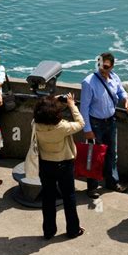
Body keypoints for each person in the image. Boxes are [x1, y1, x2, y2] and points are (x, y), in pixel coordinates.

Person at [80, 52, 128, 198]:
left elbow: (121, 91)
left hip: (111, 121)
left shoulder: (114, 77)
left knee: (112, 154)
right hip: (95, 123)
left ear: (112, 66)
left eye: (106, 66)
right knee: (94, 155)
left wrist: (126, 101)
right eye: (101, 65)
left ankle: (112, 181)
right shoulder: (88, 82)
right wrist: (87, 129)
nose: (103, 69)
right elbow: (84, 108)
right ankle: (92, 187)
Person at [34, 93, 85, 240]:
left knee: (48, 198)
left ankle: (49, 231)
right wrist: (71, 105)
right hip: (64, 164)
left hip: (45, 164)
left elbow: (41, 109)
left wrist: (52, 100)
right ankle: (73, 229)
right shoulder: (62, 127)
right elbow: (81, 123)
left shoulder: (36, 125)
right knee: (69, 197)